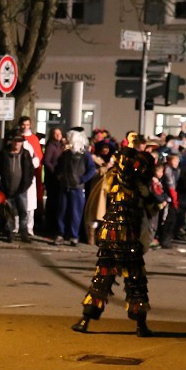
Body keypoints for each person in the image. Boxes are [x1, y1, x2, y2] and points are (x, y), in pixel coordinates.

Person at [71, 133, 160, 337]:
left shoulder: (111, 179)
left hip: (110, 236)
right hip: (129, 237)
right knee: (135, 282)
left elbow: (99, 201)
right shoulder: (139, 185)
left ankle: (85, 321)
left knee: (102, 279)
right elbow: (153, 207)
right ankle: (141, 325)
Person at [53, 128, 96, 246]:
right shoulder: (66, 154)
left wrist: (81, 179)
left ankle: (74, 236)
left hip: (77, 188)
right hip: (65, 186)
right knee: (62, 211)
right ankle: (61, 234)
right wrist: (60, 176)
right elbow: (59, 166)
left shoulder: (85, 154)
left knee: (75, 213)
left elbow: (92, 169)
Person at [0, 132, 34, 242]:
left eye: (19, 141)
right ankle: (10, 233)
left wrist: (27, 184)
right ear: (11, 141)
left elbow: (30, 171)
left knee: (23, 212)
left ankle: (24, 233)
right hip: (7, 189)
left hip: (21, 189)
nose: (17, 143)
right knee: (9, 213)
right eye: (15, 141)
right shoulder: (4, 153)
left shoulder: (25, 154)